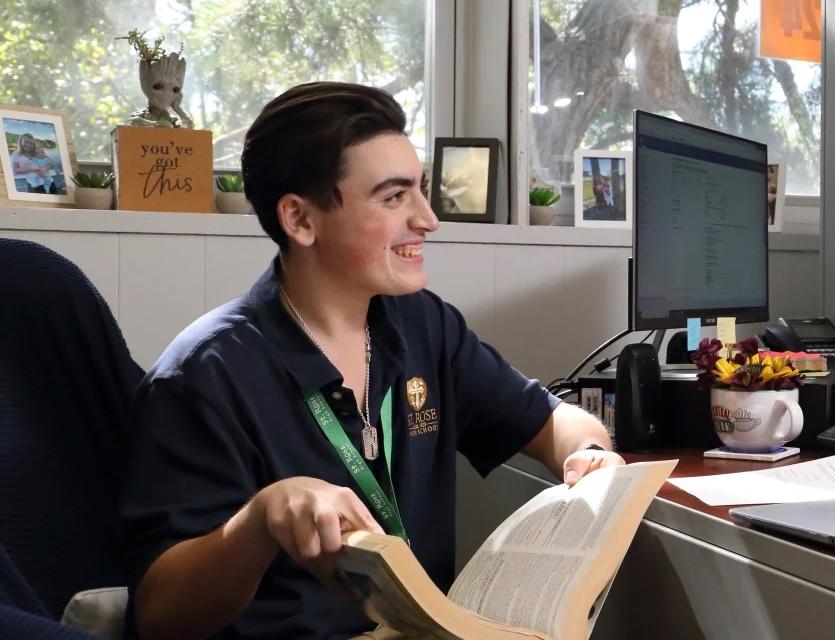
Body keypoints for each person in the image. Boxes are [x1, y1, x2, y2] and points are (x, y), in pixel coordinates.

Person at [120, 81, 623, 640]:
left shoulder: (423, 323)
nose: (428, 219)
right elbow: (160, 616)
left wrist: (591, 453)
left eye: (421, 190)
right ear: (300, 219)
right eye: (394, 197)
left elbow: (549, 419)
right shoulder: (205, 375)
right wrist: (261, 520)